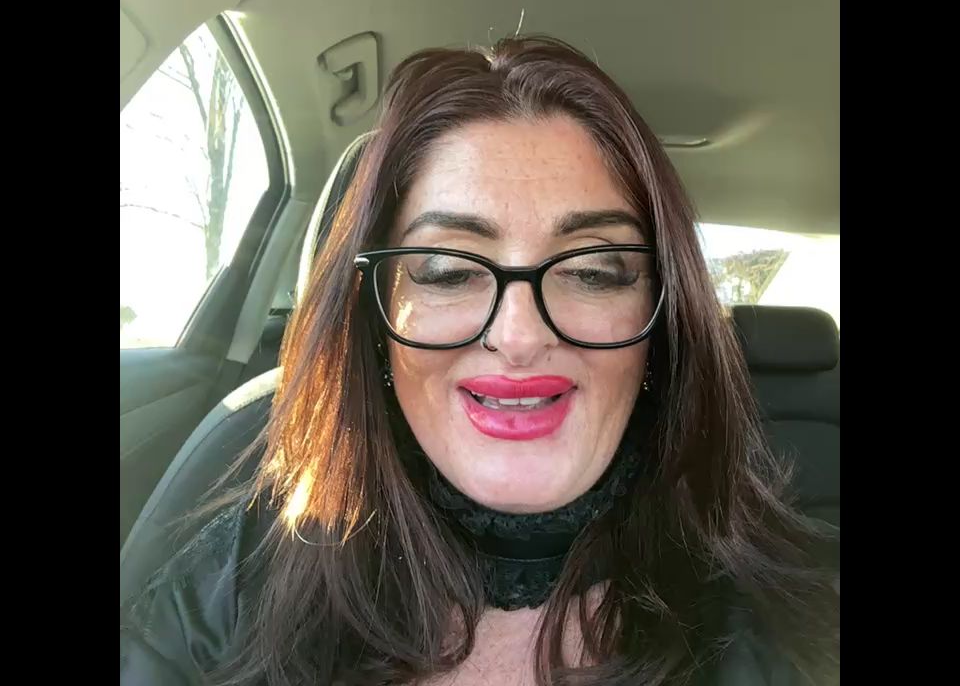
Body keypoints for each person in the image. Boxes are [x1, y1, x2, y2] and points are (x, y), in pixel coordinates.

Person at [121, 36, 839, 685]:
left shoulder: (794, 630)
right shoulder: (235, 582)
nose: (519, 336)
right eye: (447, 270)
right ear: (376, 319)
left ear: (662, 322)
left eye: (593, 271)